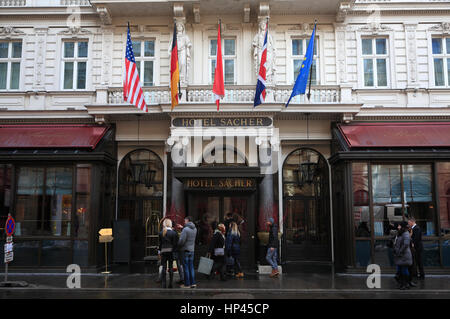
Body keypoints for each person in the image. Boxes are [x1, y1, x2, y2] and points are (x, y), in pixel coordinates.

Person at [158, 218, 178, 288]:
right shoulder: (174, 233)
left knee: (164, 267)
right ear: (170, 224)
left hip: (163, 252)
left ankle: (164, 283)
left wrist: (159, 251)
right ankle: (171, 283)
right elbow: (175, 244)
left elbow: (160, 244)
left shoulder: (161, 233)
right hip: (171, 252)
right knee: (170, 267)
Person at [178, 216, 198, 288]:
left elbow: (181, 241)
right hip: (192, 250)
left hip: (185, 250)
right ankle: (193, 283)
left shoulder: (185, 229)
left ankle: (187, 284)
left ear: (188, 220)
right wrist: (183, 228)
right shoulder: (195, 228)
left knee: (186, 267)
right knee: (191, 267)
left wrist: (178, 244)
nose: (184, 222)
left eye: (185, 220)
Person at [393, 221, 413, 290]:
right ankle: (402, 284)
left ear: (402, 227)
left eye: (399, 226)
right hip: (401, 255)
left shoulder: (405, 234)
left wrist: (399, 251)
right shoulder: (400, 233)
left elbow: (406, 244)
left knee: (404, 270)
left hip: (404, 255)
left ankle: (405, 284)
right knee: (402, 270)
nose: (398, 227)